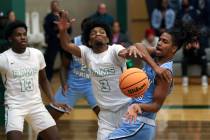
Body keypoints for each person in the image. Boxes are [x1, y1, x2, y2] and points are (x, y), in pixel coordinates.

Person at [56, 11, 171, 140]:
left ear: (108, 38)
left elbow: (124, 52)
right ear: (89, 40)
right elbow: (66, 45)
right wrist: (62, 30)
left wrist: (130, 50)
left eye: (102, 32)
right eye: (93, 33)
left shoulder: (114, 49)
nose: (98, 34)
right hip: (105, 115)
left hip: (126, 109)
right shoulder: (86, 53)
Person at [108, 23, 199, 140]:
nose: (159, 43)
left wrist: (137, 106)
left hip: (140, 123)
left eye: (165, 42)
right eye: (160, 40)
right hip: (133, 119)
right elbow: (139, 45)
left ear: (174, 48)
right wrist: (155, 67)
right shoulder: (156, 55)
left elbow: (156, 106)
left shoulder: (165, 74)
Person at [0, 20, 70, 140]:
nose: (23, 37)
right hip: (14, 106)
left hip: (36, 105)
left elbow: (43, 80)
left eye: (24, 34)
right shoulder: (3, 58)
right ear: (10, 38)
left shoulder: (37, 54)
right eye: (18, 35)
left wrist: (53, 100)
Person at [176, 0, 208, 87]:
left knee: (204, 60)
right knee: (184, 61)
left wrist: (198, 48)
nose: (194, 35)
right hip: (190, 57)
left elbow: (203, 52)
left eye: (195, 33)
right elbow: (184, 53)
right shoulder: (187, 39)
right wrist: (187, 48)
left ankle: (204, 78)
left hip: (199, 57)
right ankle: (185, 79)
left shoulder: (200, 38)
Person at [43, 0, 63, 81]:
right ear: (51, 7)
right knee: (50, 60)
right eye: (53, 5)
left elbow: (68, 27)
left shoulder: (62, 15)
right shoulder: (48, 17)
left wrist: (64, 34)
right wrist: (56, 35)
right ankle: (48, 77)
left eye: (56, 5)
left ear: (58, 6)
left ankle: (67, 77)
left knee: (66, 59)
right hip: (53, 41)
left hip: (62, 41)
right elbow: (47, 28)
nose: (55, 7)